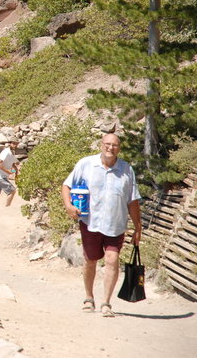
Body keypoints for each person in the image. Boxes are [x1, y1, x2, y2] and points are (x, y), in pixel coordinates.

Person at [61, 132, 142, 318]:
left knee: (112, 259)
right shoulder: (86, 164)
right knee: (90, 260)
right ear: (101, 145)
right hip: (91, 223)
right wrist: (68, 206)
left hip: (116, 224)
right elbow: (66, 186)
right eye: (107, 144)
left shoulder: (126, 169)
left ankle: (106, 303)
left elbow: (132, 201)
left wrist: (138, 226)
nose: (110, 148)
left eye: (114, 145)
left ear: (119, 148)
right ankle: (89, 297)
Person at [0, 137, 19, 206]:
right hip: (0, 176)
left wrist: (15, 171)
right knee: (12, 191)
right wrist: (8, 172)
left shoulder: (12, 152)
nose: (15, 145)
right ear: (10, 144)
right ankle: (7, 207)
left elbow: (12, 163)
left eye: (16, 144)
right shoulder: (6, 152)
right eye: (13, 143)